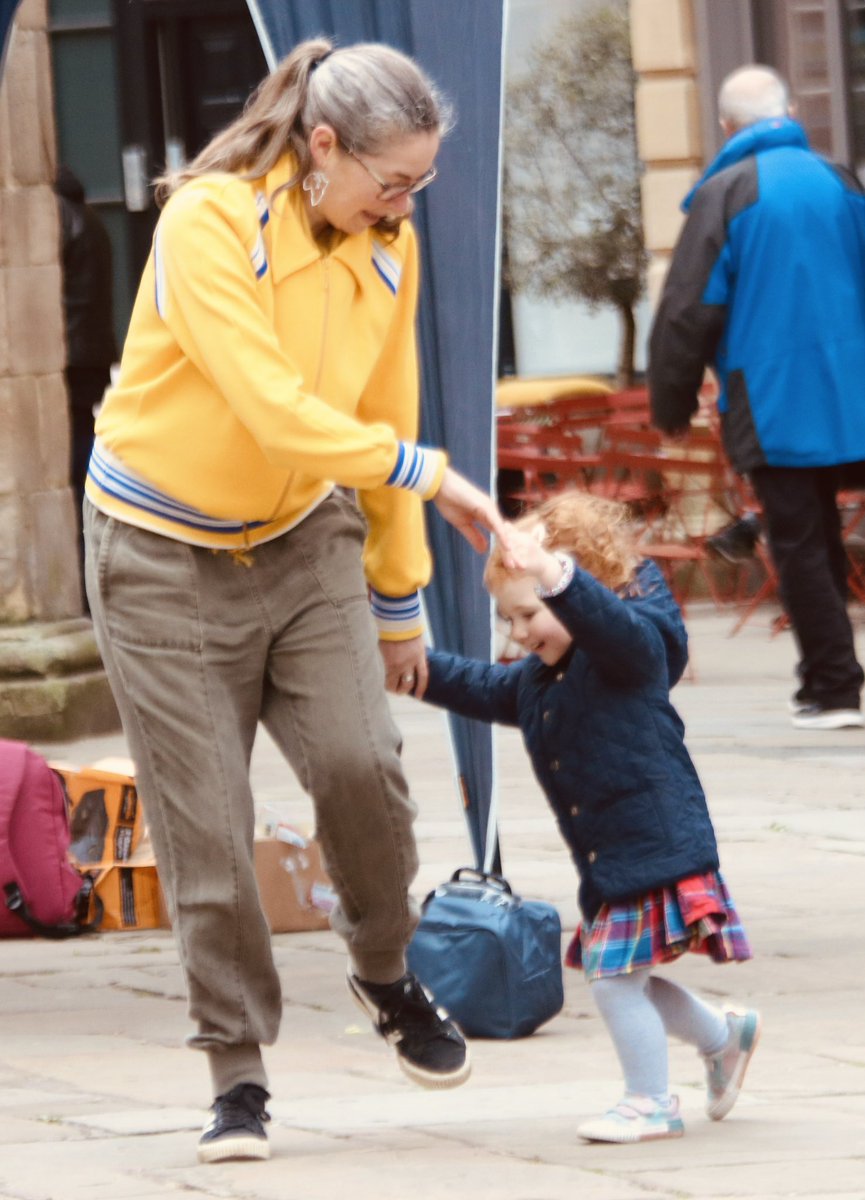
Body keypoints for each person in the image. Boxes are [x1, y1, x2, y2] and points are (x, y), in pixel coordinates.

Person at [83, 38, 514, 1165]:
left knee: (363, 765)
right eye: (395, 178)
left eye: (420, 179)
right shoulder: (210, 224)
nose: (409, 200)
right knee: (209, 833)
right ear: (323, 147)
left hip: (302, 542)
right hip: (159, 558)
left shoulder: (387, 246)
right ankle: (236, 1073)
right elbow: (274, 409)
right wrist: (430, 473)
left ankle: (382, 967)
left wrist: (400, 595)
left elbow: (386, 403)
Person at [408, 491, 760, 1143]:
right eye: (507, 620)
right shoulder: (543, 680)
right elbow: (481, 685)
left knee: (613, 982)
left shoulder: (627, 653)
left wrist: (553, 572)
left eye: (526, 614)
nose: (517, 633)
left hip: (653, 842)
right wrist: (409, 669)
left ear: (576, 591)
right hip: (611, 858)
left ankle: (650, 1101)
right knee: (628, 979)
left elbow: (610, 626)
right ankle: (723, 1036)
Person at [648, 64, 865, 731]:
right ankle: (828, 682)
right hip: (854, 395)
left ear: (725, 127)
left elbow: (688, 311)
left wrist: (671, 406)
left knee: (797, 537)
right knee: (820, 532)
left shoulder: (724, 194)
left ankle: (831, 688)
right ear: (791, 110)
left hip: (773, 403)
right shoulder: (840, 181)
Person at [54, 165, 117, 595]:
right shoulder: (92, 220)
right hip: (93, 354)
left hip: (67, 358)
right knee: (82, 446)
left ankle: (80, 565)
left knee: (71, 461)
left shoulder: (53, 216)